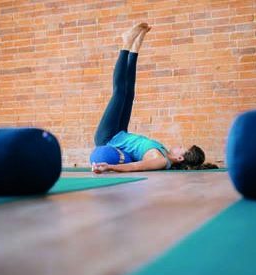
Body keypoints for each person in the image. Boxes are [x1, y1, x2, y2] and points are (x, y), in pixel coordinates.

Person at [91, 23, 217, 173]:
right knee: (129, 94)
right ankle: (135, 46)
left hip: (108, 138)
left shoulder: (160, 160)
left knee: (119, 93)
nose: (178, 145)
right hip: (120, 133)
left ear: (180, 158)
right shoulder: (163, 151)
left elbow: (135, 166)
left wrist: (109, 167)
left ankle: (126, 43)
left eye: (182, 148)